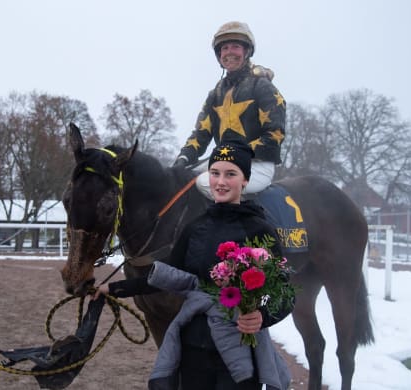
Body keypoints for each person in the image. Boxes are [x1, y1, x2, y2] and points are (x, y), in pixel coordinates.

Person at [94, 141, 293, 390]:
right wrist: (113, 289)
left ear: (245, 180)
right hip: (192, 352)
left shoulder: (261, 229)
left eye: (231, 174)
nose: (221, 182)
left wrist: (261, 316)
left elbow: (284, 292)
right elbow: (168, 278)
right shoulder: (195, 228)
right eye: (215, 173)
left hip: (239, 358)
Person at [173, 21, 286, 199]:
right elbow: (200, 135)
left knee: (203, 182)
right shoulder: (215, 94)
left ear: (246, 51)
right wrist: (183, 159)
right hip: (223, 162)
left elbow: (275, 135)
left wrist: (236, 154)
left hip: (258, 165)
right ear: (219, 55)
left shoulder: (262, 86)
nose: (229, 52)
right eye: (224, 48)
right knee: (180, 181)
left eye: (235, 47)